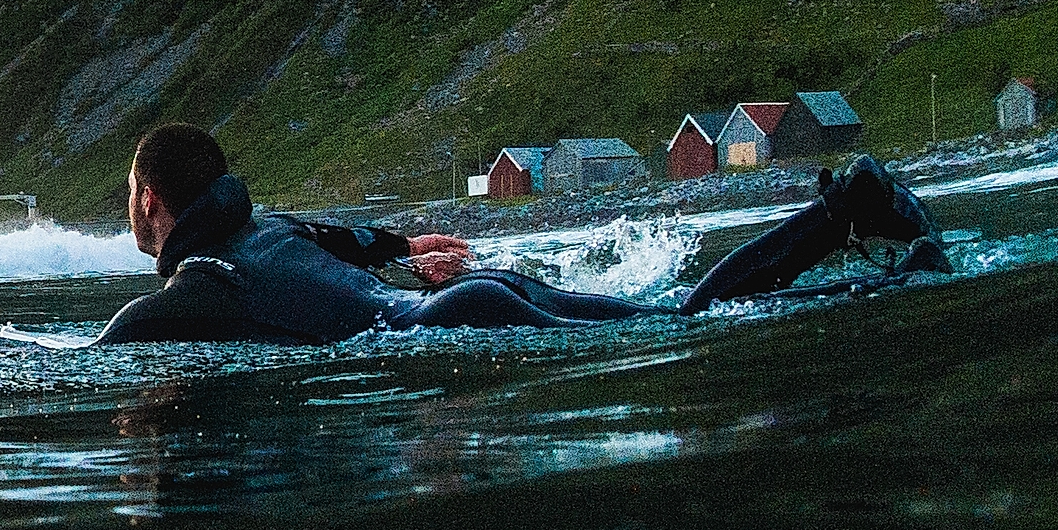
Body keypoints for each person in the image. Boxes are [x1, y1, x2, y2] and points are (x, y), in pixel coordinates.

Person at [91, 120, 937, 346]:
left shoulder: (202, 280)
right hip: (472, 303)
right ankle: (845, 216)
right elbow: (357, 241)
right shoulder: (268, 231)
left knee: (687, 320)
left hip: (462, 318)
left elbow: (120, 338)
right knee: (682, 312)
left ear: (153, 199)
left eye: (130, 192)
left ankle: (850, 221)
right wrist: (407, 251)